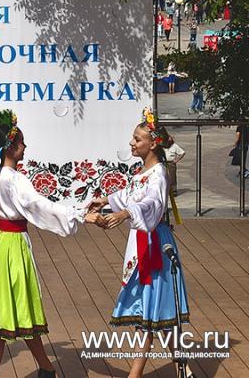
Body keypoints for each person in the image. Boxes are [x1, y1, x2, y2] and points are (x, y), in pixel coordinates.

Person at [0, 110, 102, 378]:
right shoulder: (14, 180)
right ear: (11, 147)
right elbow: (39, 205)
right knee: (22, 307)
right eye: (21, 143)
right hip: (13, 247)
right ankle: (45, 368)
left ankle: (45, 367)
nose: (25, 147)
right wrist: (80, 215)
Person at [89, 108, 189, 378]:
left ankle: (135, 374)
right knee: (158, 312)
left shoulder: (158, 174)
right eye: (133, 138)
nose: (132, 143)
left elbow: (151, 204)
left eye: (137, 139)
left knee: (148, 312)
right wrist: (106, 200)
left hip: (154, 245)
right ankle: (185, 369)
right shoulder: (144, 171)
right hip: (143, 241)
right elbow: (131, 194)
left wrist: (125, 213)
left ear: (153, 143)